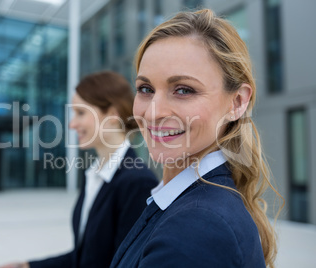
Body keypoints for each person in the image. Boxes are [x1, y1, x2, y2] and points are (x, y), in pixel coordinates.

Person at [110, 9, 283, 268]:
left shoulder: (198, 227)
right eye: (145, 89)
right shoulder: (193, 204)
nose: (153, 112)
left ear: (237, 102)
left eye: (183, 90)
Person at [0, 71, 158, 268]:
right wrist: (26, 266)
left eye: (80, 113)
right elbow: (86, 256)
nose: (72, 124)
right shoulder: (94, 175)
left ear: (112, 114)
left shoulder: (137, 183)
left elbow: (125, 263)